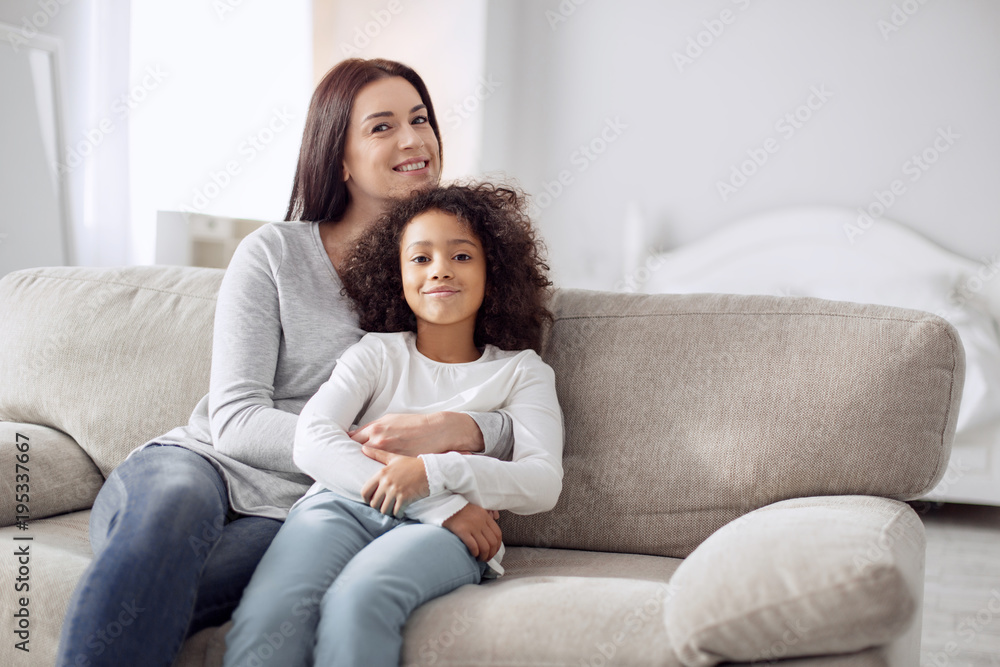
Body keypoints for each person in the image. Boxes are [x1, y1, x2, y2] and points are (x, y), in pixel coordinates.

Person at [56, 59, 514, 667]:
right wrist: (378, 450)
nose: (413, 140)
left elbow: (512, 401)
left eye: (420, 119)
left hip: (310, 504)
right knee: (166, 519)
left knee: (178, 589)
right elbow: (237, 418)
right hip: (206, 464)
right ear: (340, 159)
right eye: (382, 127)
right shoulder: (273, 253)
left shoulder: (451, 272)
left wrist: (473, 429)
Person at [222, 182, 564, 667]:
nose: (440, 268)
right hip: (348, 505)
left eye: (462, 256)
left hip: (446, 536)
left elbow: (542, 481)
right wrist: (439, 501)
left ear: (495, 271)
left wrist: (429, 472)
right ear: (397, 275)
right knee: (269, 614)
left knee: (359, 600)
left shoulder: (522, 371)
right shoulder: (375, 352)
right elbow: (312, 440)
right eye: (420, 258)